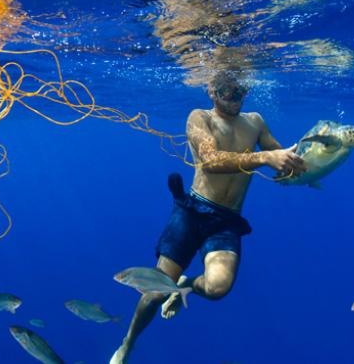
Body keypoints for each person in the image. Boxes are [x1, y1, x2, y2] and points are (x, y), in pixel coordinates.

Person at [110, 71, 306, 364]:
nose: (234, 96)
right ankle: (128, 343)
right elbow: (211, 161)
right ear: (211, 91)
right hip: (192, 212)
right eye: (226, 90)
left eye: (240, 89)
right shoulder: (199, 118)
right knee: (154, 292)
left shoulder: (255, 122)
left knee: (217, 288)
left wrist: (294, 163)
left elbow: (281, 155)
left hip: (227, 220)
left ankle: (186, 286)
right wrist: (264, 159)